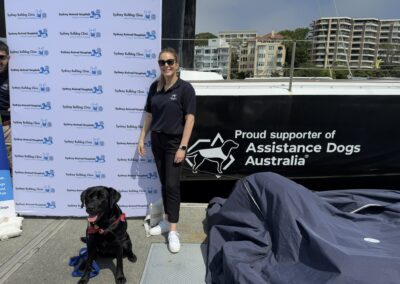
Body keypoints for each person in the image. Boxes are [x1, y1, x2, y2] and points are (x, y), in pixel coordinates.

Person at [138, 47, 196, 253]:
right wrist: (141, 138)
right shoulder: (155, 87)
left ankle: (173, 231)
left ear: (177, 64)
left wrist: (183, 146)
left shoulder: (185, 89)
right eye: (162, 62)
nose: (166, 66)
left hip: (174, 143)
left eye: (170, 62)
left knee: (172, 185)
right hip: (157, 141)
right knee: (164, 183)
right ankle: (165, 221)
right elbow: (149, 116)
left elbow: (190, 119)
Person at [0, 41, 11, 170]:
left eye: (1, 57)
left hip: (6, 127)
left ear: (8, 58)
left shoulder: (15, 76)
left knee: (9, 167)